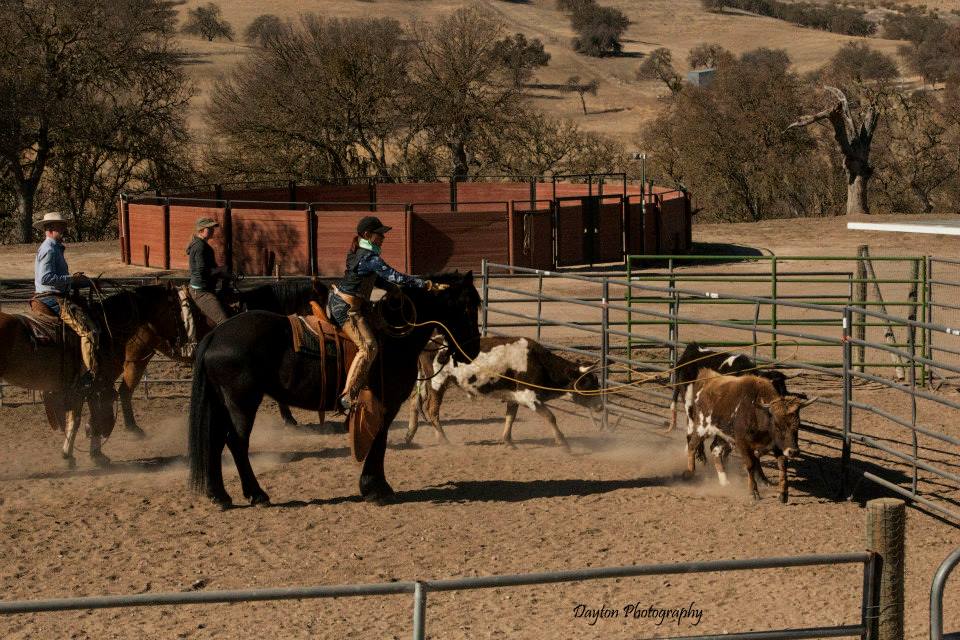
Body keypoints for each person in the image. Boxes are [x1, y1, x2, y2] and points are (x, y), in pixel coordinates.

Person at [329, 216, 446, 411]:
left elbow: (371, 278)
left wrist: (390, 289)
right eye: (380, 234)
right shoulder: (368, 257)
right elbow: (396, 276)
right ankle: (347, 396)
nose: (383, 237)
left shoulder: (360, 252)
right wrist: (426, 284)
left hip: (354, 303)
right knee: (369, 347)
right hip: (347, 308)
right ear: (367, 235)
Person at [32, 212, 100, 388]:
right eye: (61, 227)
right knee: (89, 331)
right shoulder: (49, 249)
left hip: (50, 296)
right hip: (52, 298)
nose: (64, 229)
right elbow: (46, 278)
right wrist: (71, 279)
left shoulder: (53, 248)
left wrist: (77, 281)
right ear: (50, 229)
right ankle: (87, 374)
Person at [186, 217, 230, 327]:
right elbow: (202, 271)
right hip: (201, 292)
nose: (212, 230)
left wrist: (225, 274)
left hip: (207, 288)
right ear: (201, 230)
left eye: (212, 228)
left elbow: (209, 268)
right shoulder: (200, 246)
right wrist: (221, 269)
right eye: (209, 228)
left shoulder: (201, 244)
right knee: (225, 322)